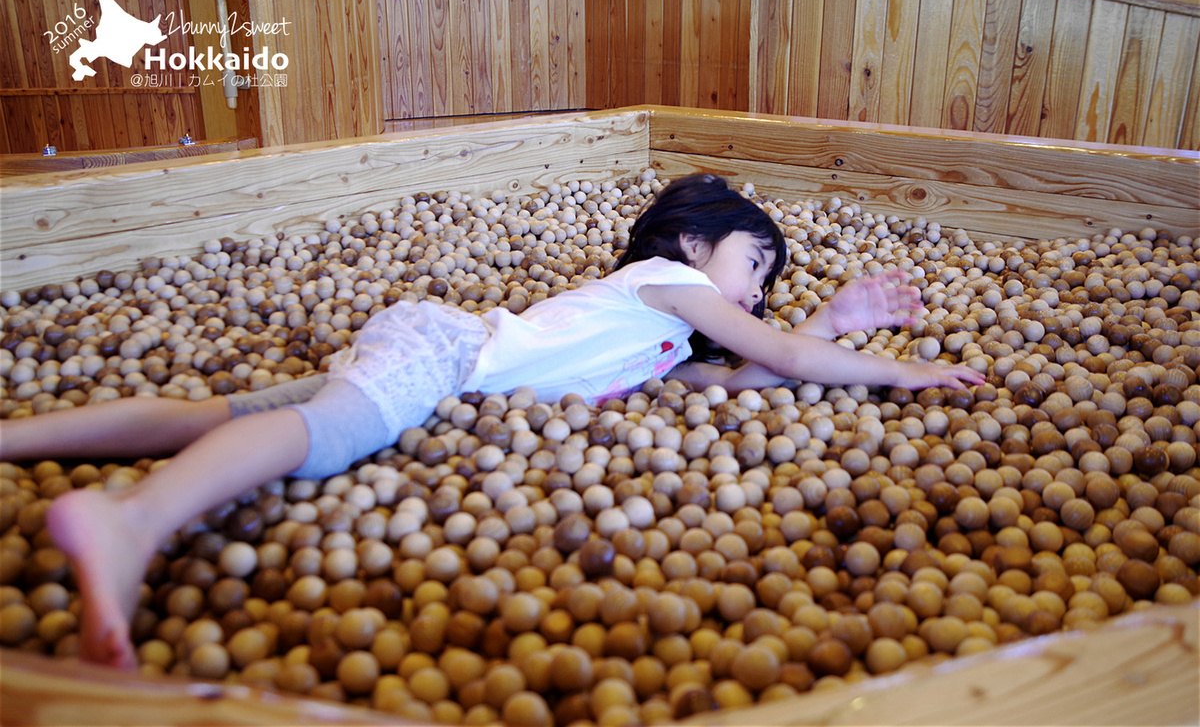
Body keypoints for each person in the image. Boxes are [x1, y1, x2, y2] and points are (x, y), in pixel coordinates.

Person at [0, 174, 984, 669]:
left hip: (429, 370)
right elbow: (786, 360)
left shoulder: (669, 344)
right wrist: (897, 366)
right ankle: (131, 519)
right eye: (757, 267)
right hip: (443, 352)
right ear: (695, 243)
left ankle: (16, 437)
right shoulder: (670, 281)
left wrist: (827, 323)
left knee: (207, 412)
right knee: (329, 438)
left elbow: (741, 384)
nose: (760, 297)